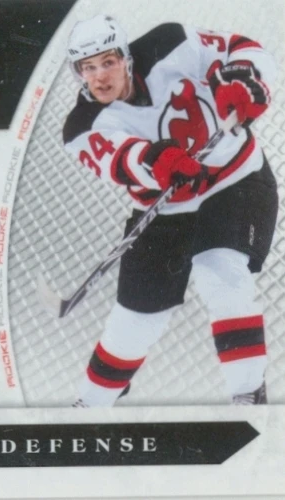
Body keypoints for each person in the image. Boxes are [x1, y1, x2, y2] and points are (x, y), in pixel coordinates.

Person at [62, 15, 277, 406]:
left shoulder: (171, 42)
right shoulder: (82, 126)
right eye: (87, 68)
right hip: (165, 210)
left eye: (108, 61)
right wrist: (155, 160)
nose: (100, 76)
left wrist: (246, 79)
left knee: (220, 271)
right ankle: (91, 403)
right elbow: (121, 158)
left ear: (126, 57)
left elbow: (241, 47)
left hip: (236, 180)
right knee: (134, 320)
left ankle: (248, 392)